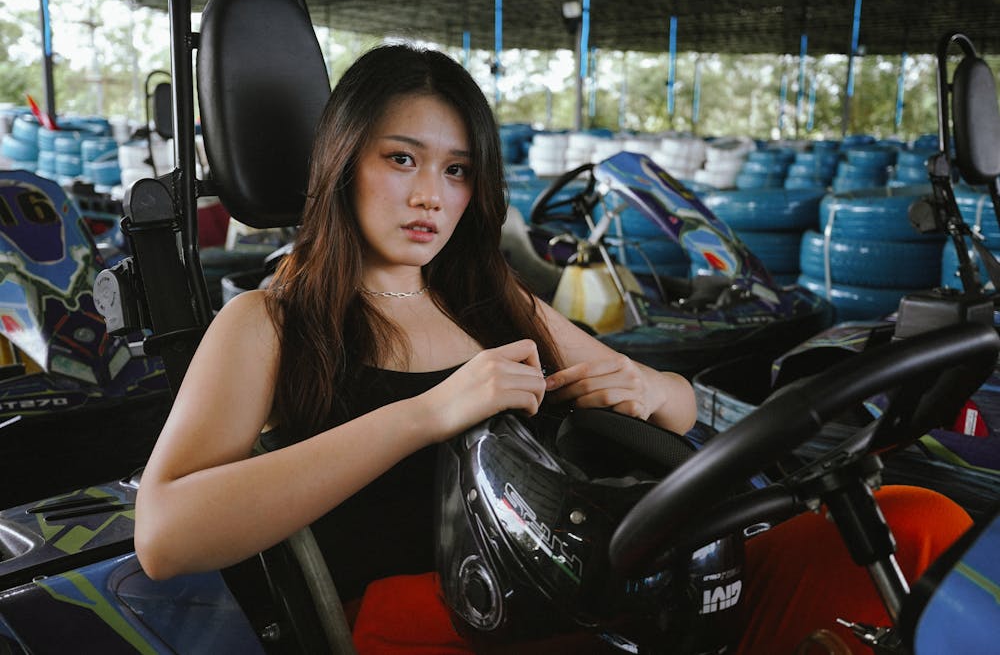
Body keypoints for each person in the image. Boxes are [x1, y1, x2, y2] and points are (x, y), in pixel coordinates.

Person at [135, 43, 971, 655]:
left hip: (594, 580)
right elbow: (165, 532)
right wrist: (427, 415)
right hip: (440, 618)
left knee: (920, 525)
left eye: (458, 171)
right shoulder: (267, 321)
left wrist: (654, 389)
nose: (432, 195)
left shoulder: (488, 296)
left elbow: (649, 399)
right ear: (343, 161)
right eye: (402, 160)